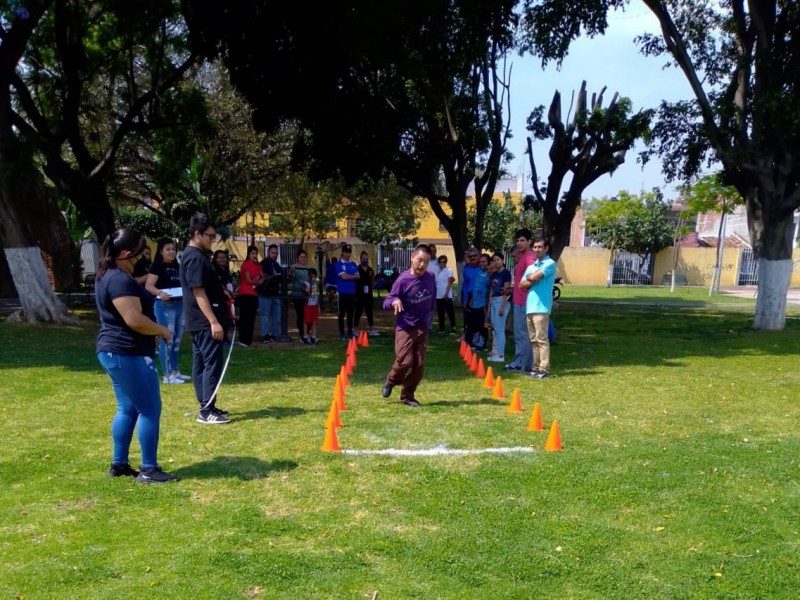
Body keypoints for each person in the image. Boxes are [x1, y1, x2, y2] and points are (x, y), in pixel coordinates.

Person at [95, 227, 178, 483]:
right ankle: (149, 469)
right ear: (127, 253)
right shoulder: (119, 279)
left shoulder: (107, 275)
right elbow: (133, 319)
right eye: (141, 251)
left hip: (115, 352)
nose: (144, 256)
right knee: (150, 409)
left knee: (127, 408)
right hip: (127, 353)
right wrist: (162, 330)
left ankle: (119, 465)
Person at [180, 213, 232, 424]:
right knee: (211, 363)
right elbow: (198, 292)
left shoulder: (196, 256)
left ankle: (207, 404)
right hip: (203, 322)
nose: (212, 240)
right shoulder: (194, 257)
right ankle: (206, 410)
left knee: (202, 362)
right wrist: (213, 321)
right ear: (197, 234)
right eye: (210, 236)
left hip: (198, 321)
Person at [380, 244, 436, 407]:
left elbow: (431, 296)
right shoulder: (403, 280)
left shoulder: (430, 276)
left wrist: (430, 309)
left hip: (422, 327)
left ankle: (407, 396)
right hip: (405, 327)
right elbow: (387, 301)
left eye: (425, 262)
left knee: (419, 367)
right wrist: (395, 300)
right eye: (419, 260)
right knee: (405, 362)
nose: (421, 265)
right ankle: (391, 381)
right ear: (412, 257)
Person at [145, 238, 189, 385]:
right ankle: (166, 374)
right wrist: (160, 293)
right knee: (167, 339)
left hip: (179, 303)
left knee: (177, 339)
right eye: (168, 249)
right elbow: (149, 285)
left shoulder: (178, 266)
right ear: (161, 251)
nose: (171, 252)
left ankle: (175, 370)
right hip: (165, 305)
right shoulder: (157, 266)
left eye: (173, 249)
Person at [518, 236, 557, 379]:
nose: (536, 249)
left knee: (542, 340)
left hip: (542, 307)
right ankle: (535, 368)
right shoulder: (531, 266)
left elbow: (532, 279)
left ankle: (544, 370)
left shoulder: (550, 263)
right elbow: (521, 285)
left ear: (546, 248)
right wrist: (533, 278)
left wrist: (532, 278)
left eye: (540, 247)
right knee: (533, 340)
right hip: (530, 306)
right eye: (534, 247)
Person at [504, 229, 536, 373]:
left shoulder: (529, 257)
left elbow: (535, 274)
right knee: (524, 334)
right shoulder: (522, 256)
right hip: (519, 299)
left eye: (522, 240)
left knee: (521, 334)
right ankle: (527, 364)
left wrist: (524, 286)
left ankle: (519, 363)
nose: (519, 243)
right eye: (517, 241)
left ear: (529, 241)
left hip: (524, 301)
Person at [487, 252, 512, 362]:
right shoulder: (494, 274)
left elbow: (506, 291)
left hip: (501, 301)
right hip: (493, 301)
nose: (496, 262)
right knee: (494, 329)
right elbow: (492, 290)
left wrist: (502, 306)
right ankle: (495, 351)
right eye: (494, 260)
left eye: (498, 260)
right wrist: (489, 306)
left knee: (500, 329)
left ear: (503, 261)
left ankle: (500, 355)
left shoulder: (505, 273)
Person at [236, 245, 260, 348]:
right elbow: (249, 280)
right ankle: (243, 339)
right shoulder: (246, 264)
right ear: (249, 254)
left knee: (251, 318)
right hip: (245, 293)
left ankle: (248, 340)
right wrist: (257, 281)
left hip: (254, 294)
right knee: (245, 317)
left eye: (256, 253)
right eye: (253, 253)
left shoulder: (258, 265)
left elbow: (262, 276)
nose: (254, 255)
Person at [465, 253, 491, 351]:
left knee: (483, 325)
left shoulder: (489, 274)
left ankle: (483, 344)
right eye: (480, 262)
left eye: (483, 262)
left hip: (483, 304)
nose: (481, 264)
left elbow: (489, 289)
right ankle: (474, 341)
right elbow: (476, 286)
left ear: (488, 263)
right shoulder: (479, 272)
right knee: (473, 324)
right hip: (475, 302)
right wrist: (472, 298)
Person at [258, 243, 282, 343]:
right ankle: (266, 335)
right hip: (265, 294)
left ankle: (275, 335)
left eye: (276, 253)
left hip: (275, 294)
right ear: (268, 252)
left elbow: (282, 275)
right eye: (273, 253)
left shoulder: (277, 265)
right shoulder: (263, 264)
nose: (275, 255)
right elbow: (262, 277)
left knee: (277, 316)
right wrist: (273, 276)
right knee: (265, 316)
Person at [335, 244, 359, 340]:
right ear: (342, 253)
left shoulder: (353, 264)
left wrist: (349, 276)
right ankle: (341, 333)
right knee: (341, 314)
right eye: (346, 252)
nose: (348, 254)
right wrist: (352, 276)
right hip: (342, 292)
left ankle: (350, 332)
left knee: (350, 313)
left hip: (352, 292)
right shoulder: (338, 264)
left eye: (349, 252)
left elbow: (358, 276)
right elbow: (343, 277)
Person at [289, 249, 312, 344]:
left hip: (307, 295)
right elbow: (290, 279)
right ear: (298, 258)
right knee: (300, 315)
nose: (303, 258)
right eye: (301, 257)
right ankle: (302, 334)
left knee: (308, 315)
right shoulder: (294, 267)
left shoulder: (309, 268)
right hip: (297, 295)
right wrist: (292, 271)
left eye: (305, 257)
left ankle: (307, 333)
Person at [354, 250, 379, 336]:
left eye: (367, 259)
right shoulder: (357, 269)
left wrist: (372, 284)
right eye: (364, 259)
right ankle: (355, 329)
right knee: (358, 312)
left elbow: (372, 280)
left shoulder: (370, 270)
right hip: (359, 294)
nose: (365, 260)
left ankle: (372, 329)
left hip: (368, 294)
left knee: (369, 312)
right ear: (360, 259)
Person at [459, 248, 481, 343]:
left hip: (479, 296)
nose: (472, 258)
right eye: (470, 256)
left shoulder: (482, 268)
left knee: (478, 318)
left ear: (478, 256)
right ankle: (467, 336)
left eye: (474, 256)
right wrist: (464, 299)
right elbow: (465, 284)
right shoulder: (466, 268)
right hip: (468, 295)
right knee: (468, 318)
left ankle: (478, 337)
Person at [434, 254, 457, 333]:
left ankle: (453, 328)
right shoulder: (438, 272)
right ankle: (442, 328)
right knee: (440, 313)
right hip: (438, 295)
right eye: (440, 262)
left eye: (443, 262)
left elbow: (449, 282)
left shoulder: (448, 270)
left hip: (446, 295)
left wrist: (447, 293)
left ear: (446, 262)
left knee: (450, 312)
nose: (442, 263)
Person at [303, 268, 320, 344]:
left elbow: (316, 295)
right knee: (306, 321)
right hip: (308, 305)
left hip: (315, 305)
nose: (313, 278)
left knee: (314, 321)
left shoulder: (315, 284)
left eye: (314, 277)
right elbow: (305, 291)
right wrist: (307, 290)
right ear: (308, 276)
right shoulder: (305, 283)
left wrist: (318, 305)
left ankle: (313, 336)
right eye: (312, 277)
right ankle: (305, 336)